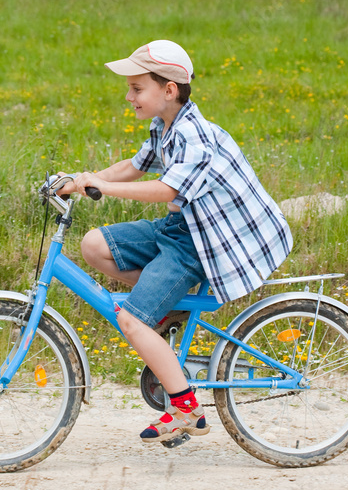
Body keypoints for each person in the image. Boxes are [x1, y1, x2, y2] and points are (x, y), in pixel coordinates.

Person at [58, 40, 293, 444]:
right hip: (177, 229)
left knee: (130, 319)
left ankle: (185, 408)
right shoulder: (164, 126)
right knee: (94, 245)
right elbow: (134, 166)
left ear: (168, 89)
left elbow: (168, 190)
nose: (128, 96)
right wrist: (82, 180)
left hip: (199, 243)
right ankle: (165, 311)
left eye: (136, 87)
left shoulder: (195, 137)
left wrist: (104, 189)